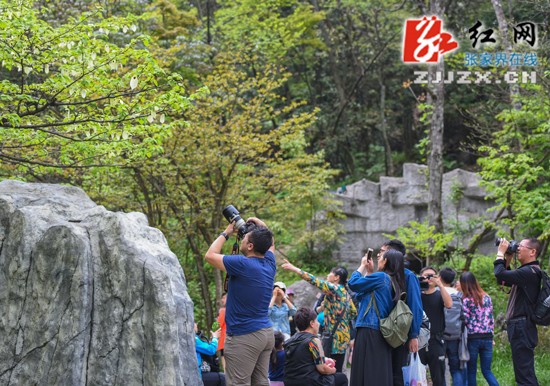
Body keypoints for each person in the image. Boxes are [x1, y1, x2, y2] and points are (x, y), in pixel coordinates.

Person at [205, 217, 276, 386]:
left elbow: (209, 255)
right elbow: (270, 243)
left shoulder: (242, 264)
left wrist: (226, 232)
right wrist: (262, 225)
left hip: (244, 336)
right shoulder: (269, 263)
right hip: (265, 334)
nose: (242, 239)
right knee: (261, 382)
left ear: (250, 246)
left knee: (238, 383)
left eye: (244, 238)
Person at [281, 261, 357, 373]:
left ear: (336, 278)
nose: (327, 276)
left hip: (332, 339)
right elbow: (353, 313)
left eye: (330, 274)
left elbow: (314, 280)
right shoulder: (345, 293)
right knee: (338, 370)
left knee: (328, 370)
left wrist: (295, 268)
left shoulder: (334, 288)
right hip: (343, 338)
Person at [347, 248, 407, 385]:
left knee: (364, 371)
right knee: (375, 372)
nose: (377, 259)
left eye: (380, 257)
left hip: (369, 329)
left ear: (386, 261)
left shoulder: (381, 277)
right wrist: (369, 273)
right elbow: (361, 296)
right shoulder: (393, 281)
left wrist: (362, 265)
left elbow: (353, 284)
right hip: (381, 332)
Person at [494, 237, 542, 386]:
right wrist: (507, 258)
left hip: (522, 326)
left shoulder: (530, 271)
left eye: (521, 246)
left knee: (524, 375)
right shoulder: (527, 272)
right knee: (523, 372)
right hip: (520, 326)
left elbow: (499, 274)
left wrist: (500, 253)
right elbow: (504, 280)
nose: (518, 248)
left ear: (533, 252)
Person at [380, 240, 423, 386]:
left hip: (399, 333)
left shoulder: (408, 276)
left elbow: (415, 306)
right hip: (381, 331)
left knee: (397, 372)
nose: (379, 254)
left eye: (382, 251)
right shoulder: (380, 276)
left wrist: (413, 335)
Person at [284, 307, 348, 386]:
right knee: (342, 378)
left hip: (290, 382)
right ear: (312, 323)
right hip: (309, 382)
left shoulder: (288, 342)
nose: (318, 323)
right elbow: (322, 369)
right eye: (317, 321)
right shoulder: (313, 341)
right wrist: (333, 370)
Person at [459, 271, 499, 386]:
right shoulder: (487, 298)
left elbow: (465, 320)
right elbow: (491, 319)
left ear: (463, 284)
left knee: (471, 372)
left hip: (473, 338)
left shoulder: (466, 300)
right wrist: (492, 336)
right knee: (487, 370)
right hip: (487, 337)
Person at [418, 266, 452, 386]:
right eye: (426, 275)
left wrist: (440, 285)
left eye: (432, 275)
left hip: (436, 340)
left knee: (439, 378)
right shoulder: (417, 295)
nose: (429, 278)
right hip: (418, 341)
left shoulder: (439, 294)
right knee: (417, 378)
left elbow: (449, 304)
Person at [439, 267, 467, 386]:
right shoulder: (459, 295)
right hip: (455, 336)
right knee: (455, 369)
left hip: (439, 336)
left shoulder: (437, 292)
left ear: (439, 278)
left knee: (440, 370)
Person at [217, 293, 227, 371]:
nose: (222, 300)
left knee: (225, 366)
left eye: (224, 298)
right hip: (236, 340)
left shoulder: (223, 310)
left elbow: (218, 325)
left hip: (224, 341)